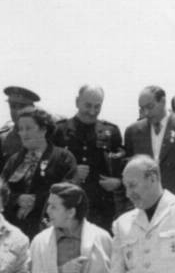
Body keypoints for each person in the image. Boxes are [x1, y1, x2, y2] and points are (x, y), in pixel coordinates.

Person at [52, 85, 125, 232]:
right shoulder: (59, 130)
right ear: (77, 102)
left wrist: (118, 182)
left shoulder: (111, 131)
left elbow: (122, 164)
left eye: (97, 106)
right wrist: (71, 172)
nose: (92, 111)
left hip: (101, 209)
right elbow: (48, 167)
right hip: (67, 207)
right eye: (88, 105)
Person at [0, 107, 77, 239]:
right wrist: (17, 199)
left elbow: (69, 192)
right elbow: (0, 191)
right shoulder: (14, 160)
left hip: (49, 231)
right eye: (21, 129)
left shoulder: (63, 158)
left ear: (43, 129)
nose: (23, 133)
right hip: (14, 232)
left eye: (29, 128)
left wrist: (36, 201)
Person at [124, 85, 175, 195]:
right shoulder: (133, 131)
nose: (146, 113)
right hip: (146, 199)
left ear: (163, 101)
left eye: (150, 107)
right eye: (142, 108)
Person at [0, 86, 40, 159]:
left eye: (22, 106)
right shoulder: (3, 138)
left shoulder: (45, 135)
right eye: (13, 106)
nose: (17, 111)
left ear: (32, 108)